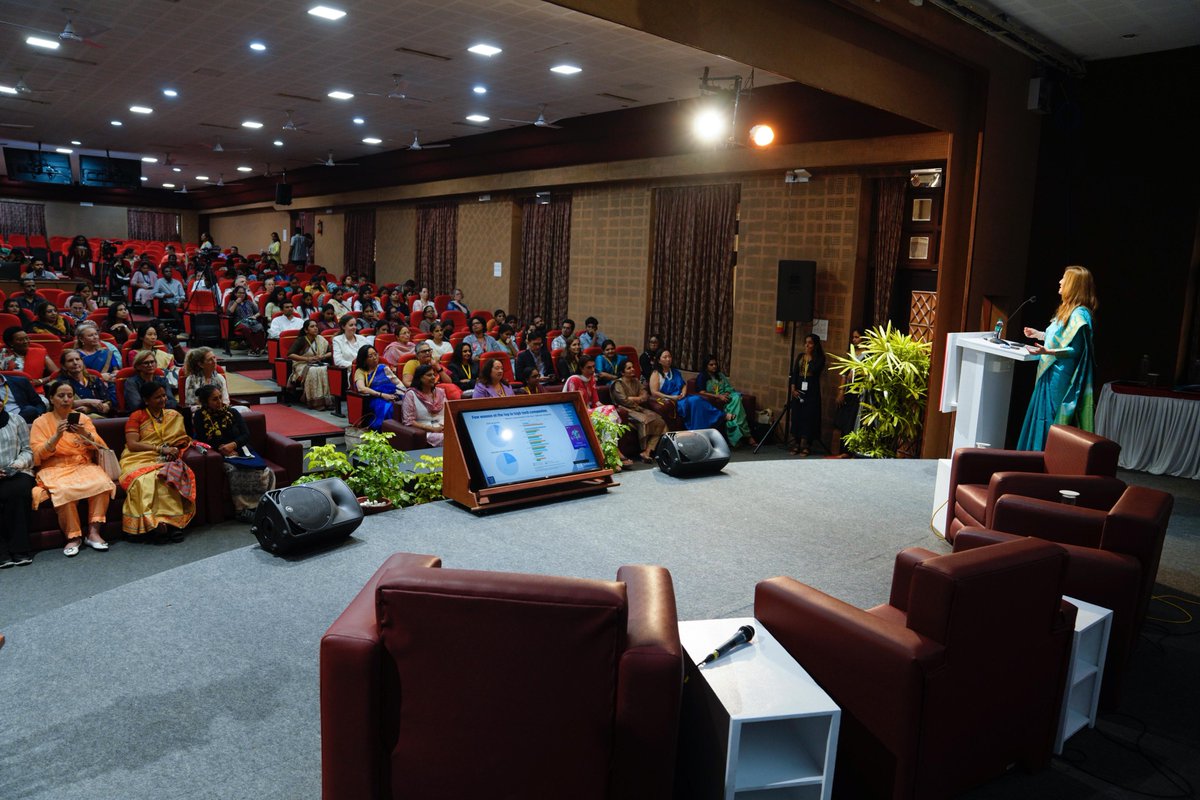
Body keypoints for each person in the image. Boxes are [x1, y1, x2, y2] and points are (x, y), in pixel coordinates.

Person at [1018, 266, 1099, 450]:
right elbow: (1059, 339)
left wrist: (1048, 353)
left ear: (1074, 285)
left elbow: (1075, 350)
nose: (1060, 282)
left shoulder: (1080, 313)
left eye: (1064, 278)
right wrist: (1038, 334)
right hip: (1050, 371)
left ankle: (1048, 461)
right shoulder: (1066, 310)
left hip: (1060, 376)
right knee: (1041, 417)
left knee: (1051, 420)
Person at [31, 380, 115, 556]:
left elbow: (100, 446)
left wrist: (84, 433)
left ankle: (93, 533)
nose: (66, 399)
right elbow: (37, 455)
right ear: (51, 399)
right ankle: (73, 537)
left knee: (103, 483)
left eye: (70, 395)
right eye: (61, 396)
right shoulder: (40, 422)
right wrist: (56, 436)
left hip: (82, 464)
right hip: (54, 467)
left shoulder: (83, 418)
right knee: (63, 490)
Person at [119, 381, 196, 542]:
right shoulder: (137, 416)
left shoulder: (173, 415)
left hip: (165, 458)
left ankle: (172, 524)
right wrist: (161, 449)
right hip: (138, 457)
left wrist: (175, 450)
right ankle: (153, 527)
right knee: (144, 481)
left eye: (163, 396)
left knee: (166, 477)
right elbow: (133, 445)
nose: (162, 400)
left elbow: (181, 439)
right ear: (146, 400)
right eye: (157, 397)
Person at [192, 384, 275, 523]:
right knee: (235, 471)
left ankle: (262, 505)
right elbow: (202, 438)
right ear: (206, 402)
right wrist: (222, 448)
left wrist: (233, 445)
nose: (219, 402)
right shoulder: (200, 416)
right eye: (214, 399)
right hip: (220, 452)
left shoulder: (232, 412)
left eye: (220, 397)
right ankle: (242, 509)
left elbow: (246, 434)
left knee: (266, 471)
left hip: (240, 448)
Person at [563, 356, 631, 467]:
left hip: (590, 412)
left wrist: (607, 411)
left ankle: (611, 456)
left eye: (594, 367)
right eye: (588, 368)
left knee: (609, 418)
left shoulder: (592, 379)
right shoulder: (574, 380)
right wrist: (607, 411)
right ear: (581, 368)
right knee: (609, 413)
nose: (592, 370)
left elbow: (596, 402)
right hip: (576, 414)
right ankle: (614, 455)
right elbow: (573, 405)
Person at [650, 349, 724, 432]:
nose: (668, 359)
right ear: (659, 361)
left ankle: (701, 429)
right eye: (665, 357)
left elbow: (683, 385)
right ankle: (720, 415)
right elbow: (654, 392)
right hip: (671, 400)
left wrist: (684, 393)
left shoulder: (675, 372)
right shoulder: (656, 374)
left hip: (682, 397)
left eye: (669, 357)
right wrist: (672, 397)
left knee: (697, 400)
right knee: (695, 400)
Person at [610, 359, 667, 463]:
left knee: (661, 422)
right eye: (629, 368)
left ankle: (647, 451)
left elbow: (645, 395)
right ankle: (644, 450)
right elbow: (624, 401)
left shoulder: (636, 381)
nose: (632, 369)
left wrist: (634, 398)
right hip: (626, 411)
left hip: (639, 409)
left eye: (632, 367)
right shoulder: (617, 384)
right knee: (645, 420)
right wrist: (637, 399)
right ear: (622, 372)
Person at [0, 405, 36, 568]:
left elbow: (28, 451)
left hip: (17, 470)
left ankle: (20, 550)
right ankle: (2, 552)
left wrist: (16, 465)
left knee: (17, 492)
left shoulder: (17, 420)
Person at [699, 355, 756, 447]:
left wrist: (726, 393)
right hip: (715, 400)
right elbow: (702, 392)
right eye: (711, 364)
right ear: (706, 366)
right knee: (737, 408)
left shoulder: (720, 375)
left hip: (727, 398)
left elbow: (728, 387)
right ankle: (748, 436)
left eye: (715, 364)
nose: (714, 366)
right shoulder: (702, 377)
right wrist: (718, 396)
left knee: (736, 398)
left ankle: (738, 435)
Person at [789, 333, 825, 456]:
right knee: (797, 415)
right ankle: (797, 443)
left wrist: (810, 356)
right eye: (806, 342)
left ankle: (807, 445)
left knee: (809, 417)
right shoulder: (800, 357)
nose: (807, 345)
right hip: (798, 388)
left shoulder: (819, 358)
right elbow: (794, 373)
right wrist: (793, 387)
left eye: (810, 343)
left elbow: (814, 371)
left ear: (815, 345)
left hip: (811, 391)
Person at [353, 345, 404, 430]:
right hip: (374, 398)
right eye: (370, 356)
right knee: (389, 408)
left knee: (406, 404)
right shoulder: (360, 371)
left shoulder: (383, 368)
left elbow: (398, 383)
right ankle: (385, 432)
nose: (374, 358)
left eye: (375, 354)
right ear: (364, 359)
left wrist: (405, 394)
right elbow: (361, 388)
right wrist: (381, 395)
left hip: (392, 394)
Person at [287, 319, 334, 410]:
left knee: (326, 369)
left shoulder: (321, 339)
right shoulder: (301, 340)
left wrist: (322, 356)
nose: (315, 328)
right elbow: (290, 355)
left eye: (316, 326)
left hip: (318, 363)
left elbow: (331, 353)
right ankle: (315, 402)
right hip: (302, 364)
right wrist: (307, 359)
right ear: (306, 330)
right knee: (313, 370)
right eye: (312, 327)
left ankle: (327, 401)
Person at [830, 329, 863, 456]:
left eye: (857, 337)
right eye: (853, 337)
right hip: (849, 390)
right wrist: (841, 391)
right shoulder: (851, 353)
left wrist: (857, 372)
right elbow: (844, 373)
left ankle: (851, 451)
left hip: (860, 391)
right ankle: (843, 450)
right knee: (845, 419)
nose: (854, 339)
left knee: (854, 419)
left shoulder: (869, 355)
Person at [56, 349, 114, 417]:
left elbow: (107, 402)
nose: (75, 363)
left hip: (101, 419)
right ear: (63, 366)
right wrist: (88, 401)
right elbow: (62, 404)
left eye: (77, 359)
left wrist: (91, 409)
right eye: (70, 361)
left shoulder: (94, 379)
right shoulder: (60, 384)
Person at [399, 364, 447, 446]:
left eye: (433, 375)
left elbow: (448, 413)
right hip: (427, 431)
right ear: (420, 378)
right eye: (429, 375)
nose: (433, 377)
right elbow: (409, 421)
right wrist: (433, 429)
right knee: (449, 438)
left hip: (444, 428)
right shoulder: (411, 394)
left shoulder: (440, 392)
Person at [226, 285, 266, 355]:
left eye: (243, 293)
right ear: (235, 294)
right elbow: (229, 313)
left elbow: (259, 311)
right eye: (239, 293)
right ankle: (255, 348)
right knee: (246, 328)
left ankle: (261, 348)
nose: (241, 295)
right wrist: (236, 302)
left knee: (259, 327)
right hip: (239, 322)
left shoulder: (249, 302)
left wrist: (254, 316)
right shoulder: (232, 302)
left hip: (250, 321)